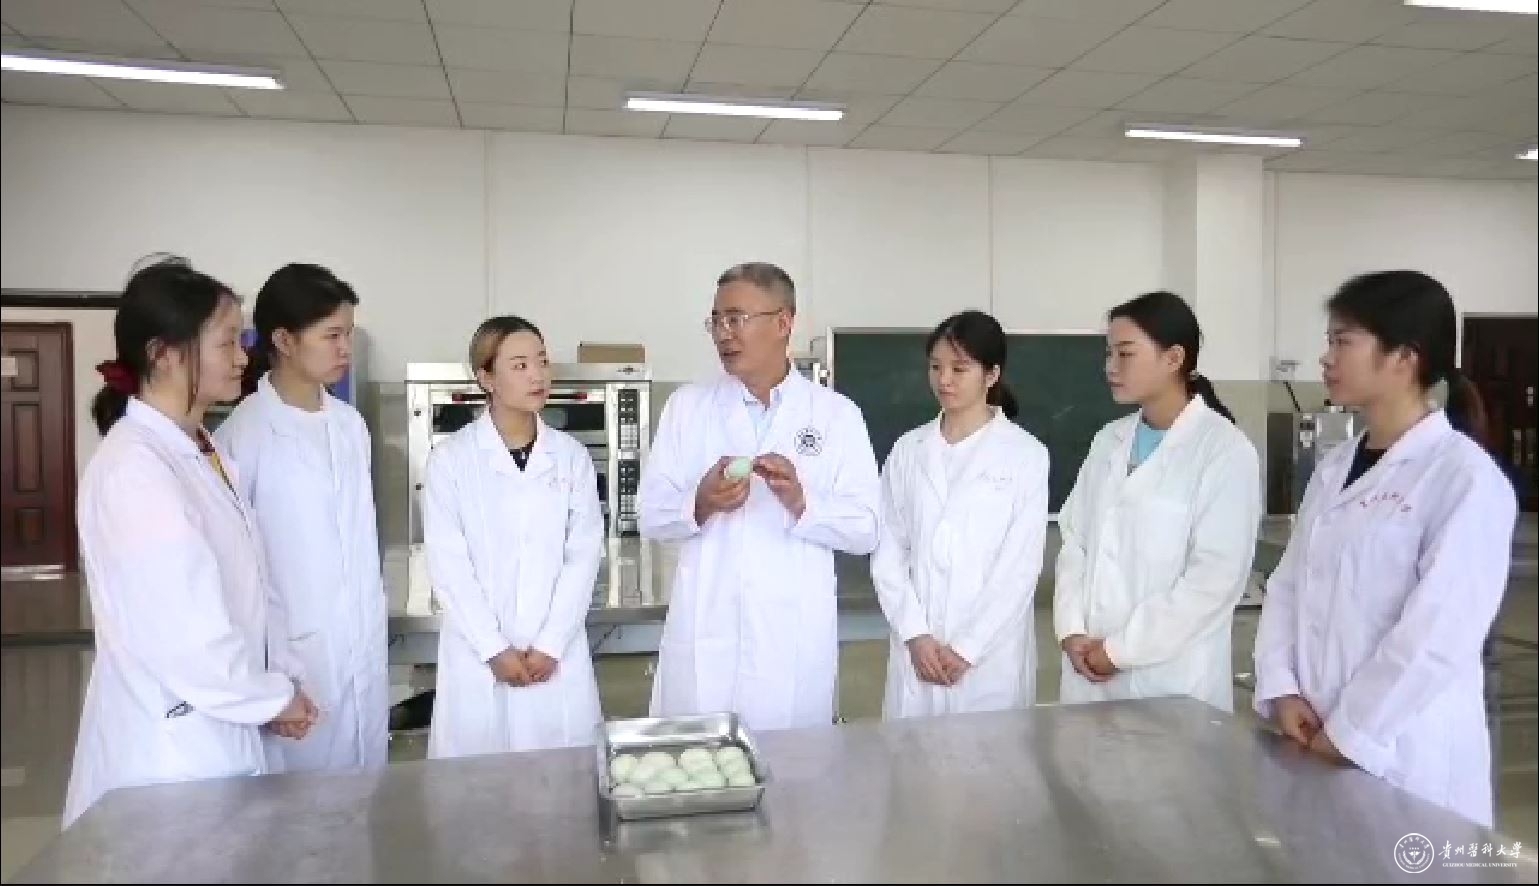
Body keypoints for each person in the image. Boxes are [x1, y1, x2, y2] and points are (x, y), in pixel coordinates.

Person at [1253, 271, 1515, 827]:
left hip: (1405, 751)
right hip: (1312, 727)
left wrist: (1352, 732)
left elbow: (1439, 632)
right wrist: (1283, 690)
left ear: (1403, 357)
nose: (1326, 357)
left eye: (1342, 341)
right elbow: (1288, 586)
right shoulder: (1333, 468)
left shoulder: (1463, 478)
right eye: (1329, 340)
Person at [65, 258, 316, 827]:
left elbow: (254, 583)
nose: (243, 357)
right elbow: (184, 632)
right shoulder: (135, 470)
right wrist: (271, 697)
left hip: (221, 724)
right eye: (226, 342)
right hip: (170, 751)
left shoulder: (203, 450)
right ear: (165, 353)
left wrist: (280, 679)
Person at [639, 262, 880, 731]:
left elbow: (866, 529)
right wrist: (700, 503)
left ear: (783, 322)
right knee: (698, 762)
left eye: (736, 318)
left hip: (790, 642)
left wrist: (804, 503)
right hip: (706, 633)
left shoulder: (836, 415)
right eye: (716, 321)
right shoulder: (687, 408)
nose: (723, 334)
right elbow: (650, 514)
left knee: (793, 767)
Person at [214, 263, 387, 773]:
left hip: (360, 645)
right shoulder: (243, 437)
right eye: (331, 335)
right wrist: (268, 676)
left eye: (348, 334)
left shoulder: (350, 426)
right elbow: (238, 571)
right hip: (292, 657)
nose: (345, 349)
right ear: (284, 340)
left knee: (364, 795)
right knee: (298, 803)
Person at [1054, 291, 1261, 712]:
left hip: (1170, 680)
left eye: (1125, 353)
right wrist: (1071, 630)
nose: (1111, 366)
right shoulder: (1107, 441)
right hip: (1087, 667)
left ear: (1173, 358)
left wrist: (1120, 651)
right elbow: (1075, 539)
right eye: (1109, 353)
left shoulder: (1223, 450)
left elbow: (1213, 579)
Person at [422, 316, 604, 757]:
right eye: (520, 365)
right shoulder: (451, 460)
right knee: (477, 788)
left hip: (555, 656)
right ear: (486, 378)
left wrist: (551, 644)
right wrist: (493, 648)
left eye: (542, 361)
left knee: (560, 785)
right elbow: (449, 565)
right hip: (478, 657)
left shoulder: (571, 458)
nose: (537, 375)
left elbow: (583, 556)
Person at [871, 311, 1049, 719]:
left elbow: (1019, 566)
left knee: (987, 756)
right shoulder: (908, 450)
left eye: (959, 368)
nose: (944, 379)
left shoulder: (1025, 455)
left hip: (989, 658)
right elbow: (889, 549)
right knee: (912, 756)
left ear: (991, 374)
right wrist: (915, 634)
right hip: (918, 650)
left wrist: (968, 647)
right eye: (936, 367)